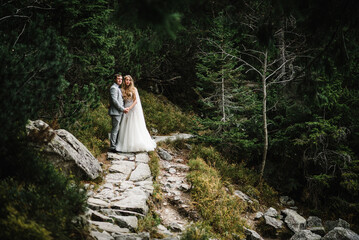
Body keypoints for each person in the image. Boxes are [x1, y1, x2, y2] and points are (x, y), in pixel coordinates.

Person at [115, 75, 156, 152]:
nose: (127, 81)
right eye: (126, 80)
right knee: (125, 127)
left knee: (133, 126)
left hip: (132, 109)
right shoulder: (122, 89)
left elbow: (135, 101)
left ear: (131, 81)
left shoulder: (134, 89)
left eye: (129, 80)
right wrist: (123, 108)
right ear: (124, 81)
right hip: (125, 109)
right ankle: (126, 144)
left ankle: (134, 144)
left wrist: (129, 108)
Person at [108, 74, 129, 153]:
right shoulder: (113, 88)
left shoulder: (118, 88)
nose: (120, 80)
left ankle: (116, 145)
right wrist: (122, 109)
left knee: (117, 129)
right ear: (115, 80)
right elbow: (114, 101)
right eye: (118, 79)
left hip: (118, 112)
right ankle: (112, 147)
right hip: (116, 112)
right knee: (115, 129)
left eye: (121, 79)